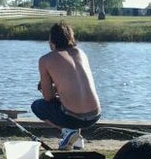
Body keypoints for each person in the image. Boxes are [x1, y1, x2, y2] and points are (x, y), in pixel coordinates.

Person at [31, 21, 101, 150]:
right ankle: (77, 140)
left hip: (73, 119)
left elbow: (48, 98)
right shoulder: (80, 53)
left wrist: (52, 90)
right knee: (68, 104)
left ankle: (68, 131)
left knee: (37, 106)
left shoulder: (46, 59)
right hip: (95, 115)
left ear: (52, 40)